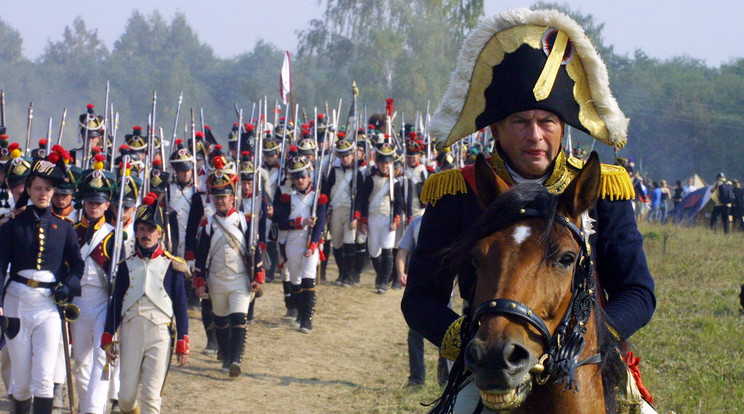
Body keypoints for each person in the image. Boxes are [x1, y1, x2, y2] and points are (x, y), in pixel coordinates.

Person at [401, 8, 656, 412]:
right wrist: (473, 341)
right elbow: (419, 299)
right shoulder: (458, 192)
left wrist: (582, 336)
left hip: (590, 361)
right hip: (490, 363)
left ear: (563, 126)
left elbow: (639, 292)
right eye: (519, 121)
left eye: (546, 121)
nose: (534, 135)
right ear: (495, 129)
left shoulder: (602, 188)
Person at [0, 150, 84, 413]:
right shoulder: (12, 226)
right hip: (17, 302)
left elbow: (78, 264)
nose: (43, 194)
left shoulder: (65, 228)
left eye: (48, 189)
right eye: (37, 188)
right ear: (29, 189)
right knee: (21, 384)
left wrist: (69, 286)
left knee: (44, 379)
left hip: (48, 305)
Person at [101, 192, 190, 414]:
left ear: (159, 233)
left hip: (160, 333)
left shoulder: (173, 266)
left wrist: (183, 340)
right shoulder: (125, 265)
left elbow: (180, 306)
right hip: (130, 332)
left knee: (152, 398)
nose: (146, 235)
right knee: (125, 398)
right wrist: (108, 335)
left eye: (151, 230)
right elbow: (116, 304)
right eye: (141, 229)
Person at [193, 154, 264, 376]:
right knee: (221, 319)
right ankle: (224, 355)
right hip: (216, 278)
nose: (220, 201)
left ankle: (235, 359)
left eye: (224, 196)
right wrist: (199, 280)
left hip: (239, 278)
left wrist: (259, 275)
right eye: (216, 197)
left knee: (238, 318)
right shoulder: (208, 225)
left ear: (233, 197)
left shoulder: (245, 221)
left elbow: (255, 250)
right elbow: (201, 255)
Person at [72, 156, 120, 414]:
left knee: (101, 360)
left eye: (99, 202)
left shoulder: (114, 235)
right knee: (80, 362)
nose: (93, 206)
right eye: (90, 201)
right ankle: (87, 404)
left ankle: (93, 410)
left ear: (107, 205)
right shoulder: (71, 231)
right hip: (77, 303)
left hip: (103, 301)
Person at [273, 156, 327, 333]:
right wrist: (301, 222)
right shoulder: (286, 198)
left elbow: (320, 223)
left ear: (309, 177)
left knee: (308, 278)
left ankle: (307, 319)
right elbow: (280, 222)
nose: (300, 180)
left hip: (311, 242)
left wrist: (312, 245)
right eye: (296, 177)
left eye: (303, 176)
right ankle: (299, 312)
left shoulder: (318, 197)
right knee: (295, 280)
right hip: (293, 241)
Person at [354, 143, 404, 294]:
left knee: (387, 250)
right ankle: (381, 275)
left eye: (388, 163)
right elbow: (363, 200)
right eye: (382, 162)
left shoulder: (395, 182)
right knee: (374, 252)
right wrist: (362, 220)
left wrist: (396, 220)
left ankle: (383, 282)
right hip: (373, 218)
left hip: (388, 219)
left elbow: (399, 204)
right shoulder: (370, 179)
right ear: (377, 162)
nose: (385, 166)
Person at [323, 138, 365, 287]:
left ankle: (348, 276)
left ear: (352, 156)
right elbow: (326, 192)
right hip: (335, 211)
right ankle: (342, 273)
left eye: (347, 155)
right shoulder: (333, 172)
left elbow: (360, 197)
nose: (345, 158)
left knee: (349, 243)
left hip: (350, 211)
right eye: (342, 156)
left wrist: (356, 217)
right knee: (337, 244)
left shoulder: (357, 174)